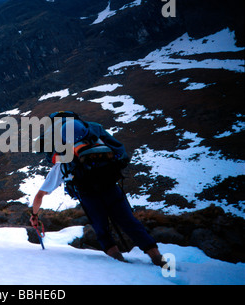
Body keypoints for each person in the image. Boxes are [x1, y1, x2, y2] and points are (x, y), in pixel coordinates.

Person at [29, 113, 165, 266]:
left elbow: (39, 195)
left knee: (102, 230)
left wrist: (34, 215)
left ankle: (119, 263)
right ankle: (158, 259)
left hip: (88, 197)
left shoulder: (64, 163)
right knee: (130, 223)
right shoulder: (99, 144)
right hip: (111, 188)